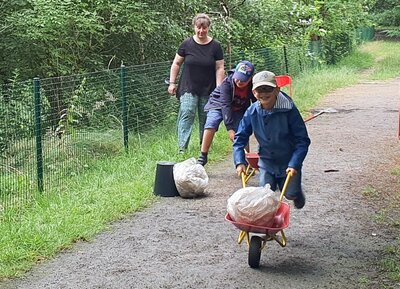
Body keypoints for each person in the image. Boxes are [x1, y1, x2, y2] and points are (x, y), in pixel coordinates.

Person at [233, 70, 311, 209]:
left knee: (289, 193)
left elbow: (302, 141)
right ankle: (267, 227)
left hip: (288, 161)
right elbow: (240, 138)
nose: (264, 93)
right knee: (264, 196)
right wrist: (240, 161)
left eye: (268, 88)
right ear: (253, 92)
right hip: (266, 161)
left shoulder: (289, 110)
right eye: (259, 89)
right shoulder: (252, 112)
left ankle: (296, 194)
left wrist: (294, 163)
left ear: (277, 90)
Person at [168, 13, 225, 153]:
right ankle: (182, 148)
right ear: (194, 27)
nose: (201, 31)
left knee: (206, 117)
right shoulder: (186, 44)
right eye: (198, 28)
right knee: (187, 112)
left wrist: (219, 88)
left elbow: (220, 67)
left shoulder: (216, 46)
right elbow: (176, 63)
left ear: (208, 28)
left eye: (204, 28)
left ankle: (204, 148)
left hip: (209, 87)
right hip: (188, 86)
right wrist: (172, 83)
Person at [197, 60, 256, 166]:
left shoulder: (253, 86)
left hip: (239, 108)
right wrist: (230, 129)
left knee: (243, 129)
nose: (239, 81)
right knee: (212, 122)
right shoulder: (227, 83)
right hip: (218, 104)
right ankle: (203, 155)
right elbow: (225, 105)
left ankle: (246, 159)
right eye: (237, 78)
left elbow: (256, 103)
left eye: (243, 80)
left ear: (250, 78)